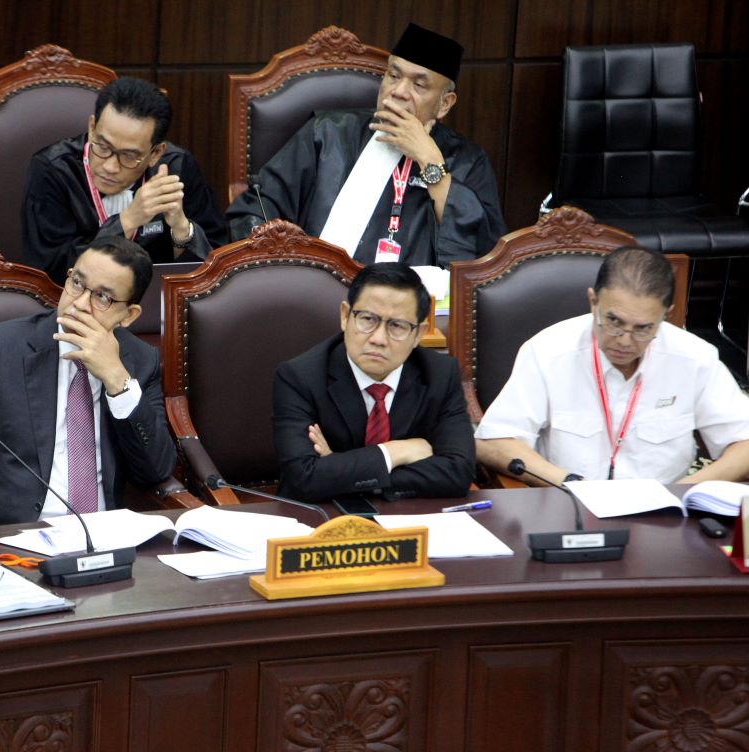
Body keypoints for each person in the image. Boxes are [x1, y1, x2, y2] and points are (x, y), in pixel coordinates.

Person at [0, 237, 175, 531]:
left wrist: (117, 380)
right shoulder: (4, 346)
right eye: (77, 284)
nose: (80, 304)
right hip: (5, 535)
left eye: (102, 297)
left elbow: (155, 469)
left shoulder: (139, 360)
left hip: (103, 536)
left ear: (128, 315)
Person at [226, 23, 505, 268]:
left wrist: (430, 162)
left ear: (445, 103)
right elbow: (256, 208)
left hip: (417, 313)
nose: (398, 91)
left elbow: (482, 256)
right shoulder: (329, 133)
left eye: (419, 85)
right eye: (393, 76)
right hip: (318, 295)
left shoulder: (467, 161)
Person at [475, 246, 749, 485]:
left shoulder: (694, 358)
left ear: (666, 314)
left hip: (666, 514)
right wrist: (570, 484)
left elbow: (745, 444)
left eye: (643, 328)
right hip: (567, 504)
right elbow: (495, 442)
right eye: (614, 322)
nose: (625, 341)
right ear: (593, 301)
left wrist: (684, 491)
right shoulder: (548, 352)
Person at [273, 263, 475, 501]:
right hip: (320, 518)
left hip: (411, 517)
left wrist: (337, 469)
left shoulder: (440, 373)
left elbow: (458, 473)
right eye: (368, 319)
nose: (378, 339)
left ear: (418, 334)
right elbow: (304, 479)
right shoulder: (299, 377)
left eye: (397, 326)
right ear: (345, 317)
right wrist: (393, 453)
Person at [22, 76, 227, 283]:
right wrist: (127, 221)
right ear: (92, 127)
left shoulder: (177, 168)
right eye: (103, 147)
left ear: (155, 153)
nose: (110, 167)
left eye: (129, 156)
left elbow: (217, 264)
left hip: (160, 305)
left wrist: (181, 230)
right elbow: (50, 271)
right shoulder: (54, 169)